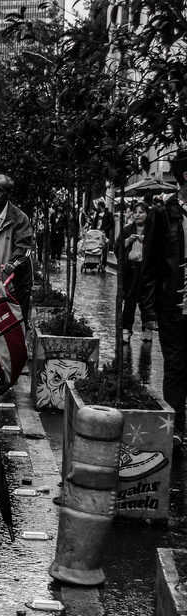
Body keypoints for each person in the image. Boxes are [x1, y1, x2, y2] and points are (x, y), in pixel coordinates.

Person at [140, 151, 187, 447]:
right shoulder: (163, 214)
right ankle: (177, 428)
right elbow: (151, 264)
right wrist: (148, 311)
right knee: (176, 365)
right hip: (173, 303)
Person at [0, 174, 33, 320]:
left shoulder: (20, 218)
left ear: (9, 193)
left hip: (15, 285)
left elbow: (24, 248)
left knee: (16, 324)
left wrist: (13, 263)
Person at [122, 202, 150, 344]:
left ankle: (147, 329)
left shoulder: (152, 230)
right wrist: (128, 241)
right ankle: (126, 330)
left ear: (147, 214)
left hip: (146, 271)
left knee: (147, 300)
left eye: (141, 212)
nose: (138, 215)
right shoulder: (127, 229)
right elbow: (117, 246)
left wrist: (148, 242)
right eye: (135, 212)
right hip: (131, 270)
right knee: (129, 300)